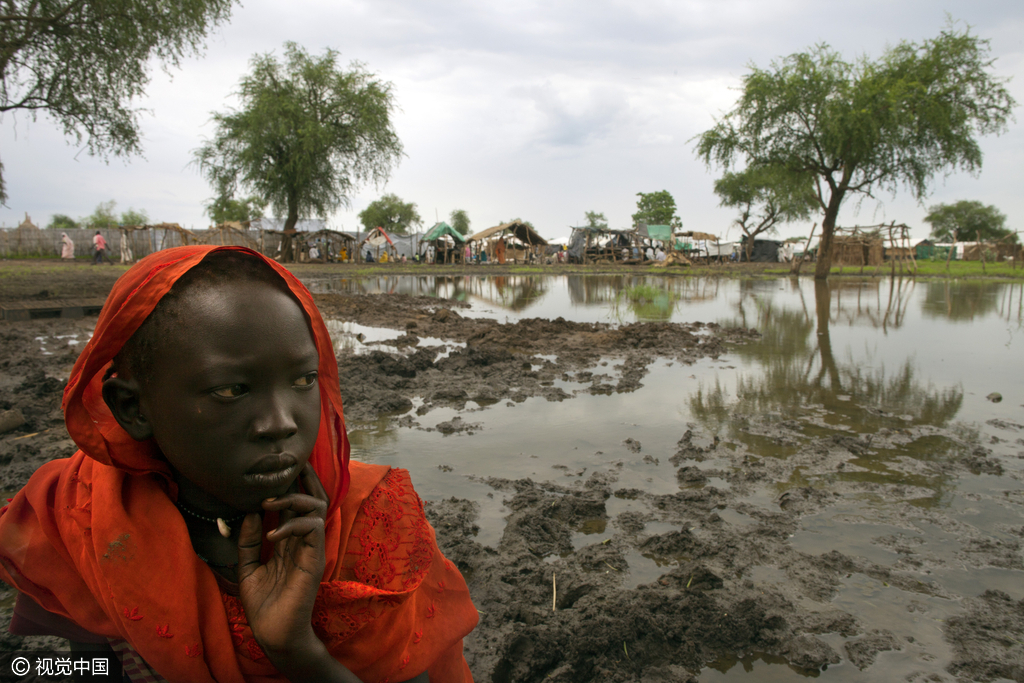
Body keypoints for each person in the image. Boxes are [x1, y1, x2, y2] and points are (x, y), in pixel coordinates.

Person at [0, 246, 478, 682]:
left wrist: (296, 650)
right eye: (231, 389)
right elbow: (75, 666)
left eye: (304, 378)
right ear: (132, 408)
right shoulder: (81, 517)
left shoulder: (370, 527)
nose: (281, 423)